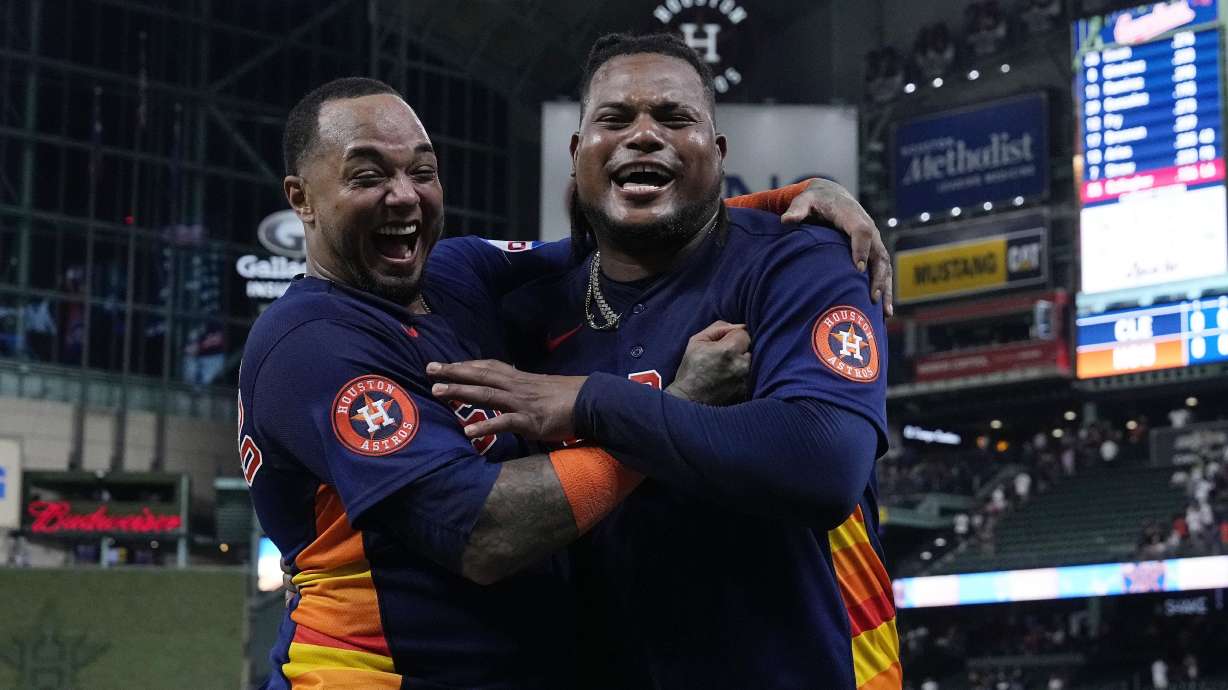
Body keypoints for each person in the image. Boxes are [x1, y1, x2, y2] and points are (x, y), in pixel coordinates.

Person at [247, 77, 891, 688]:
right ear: (301, 197)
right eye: (367, 176)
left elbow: (617, 238)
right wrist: (664, 408)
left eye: (422, 171)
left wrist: (785, 200)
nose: (404, 196)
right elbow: (484, 533)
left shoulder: (456, 273)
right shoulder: (311, 342)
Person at [430, 32, 898, 689]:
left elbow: (826, 462)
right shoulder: (529, 307)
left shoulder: (801, 262)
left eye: (675, 118)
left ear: (718, 151)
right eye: (615, 118)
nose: (644, 135)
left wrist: (589, 402)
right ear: (576, 154)